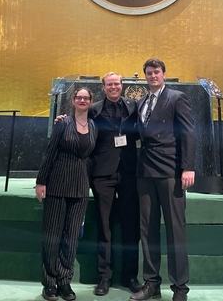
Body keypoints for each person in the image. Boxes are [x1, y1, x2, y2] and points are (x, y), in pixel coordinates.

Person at [130, 58, 196, 301]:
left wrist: (187, 168)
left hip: (170, 172)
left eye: (156, 72)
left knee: (175, 230)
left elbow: (188, 133)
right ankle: (151, 283)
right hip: (145, 172)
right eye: (149, 73)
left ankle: (180, 288)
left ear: (164, 74)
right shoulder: (142, 101)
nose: (152, 76)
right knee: (147, 230)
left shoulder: (177, 98)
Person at [36, 88, 97, 301]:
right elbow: (49, 152)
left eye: (86, 98)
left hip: (80, 188)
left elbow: (90, 160)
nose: (82, 100)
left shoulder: (93, 126)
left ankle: (64, 281)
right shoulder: (63, 124)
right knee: (52, 237)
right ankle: (50, 282)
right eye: (78, 97)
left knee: (71, 239)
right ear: (73, 101)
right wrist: (41, 182)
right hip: (57, 184)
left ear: (91, 101)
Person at [90, 72, 141, 296]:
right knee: (105, 226)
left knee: (132, 226)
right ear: (104, 87)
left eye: (117, 84)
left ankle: (130, 276)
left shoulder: (134, 107)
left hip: (129, 172)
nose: (113, 87)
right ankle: (104, 277)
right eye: (109, 84)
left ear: (122, 86)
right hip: (102, 174)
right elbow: (81, 124)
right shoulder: (94, 109)